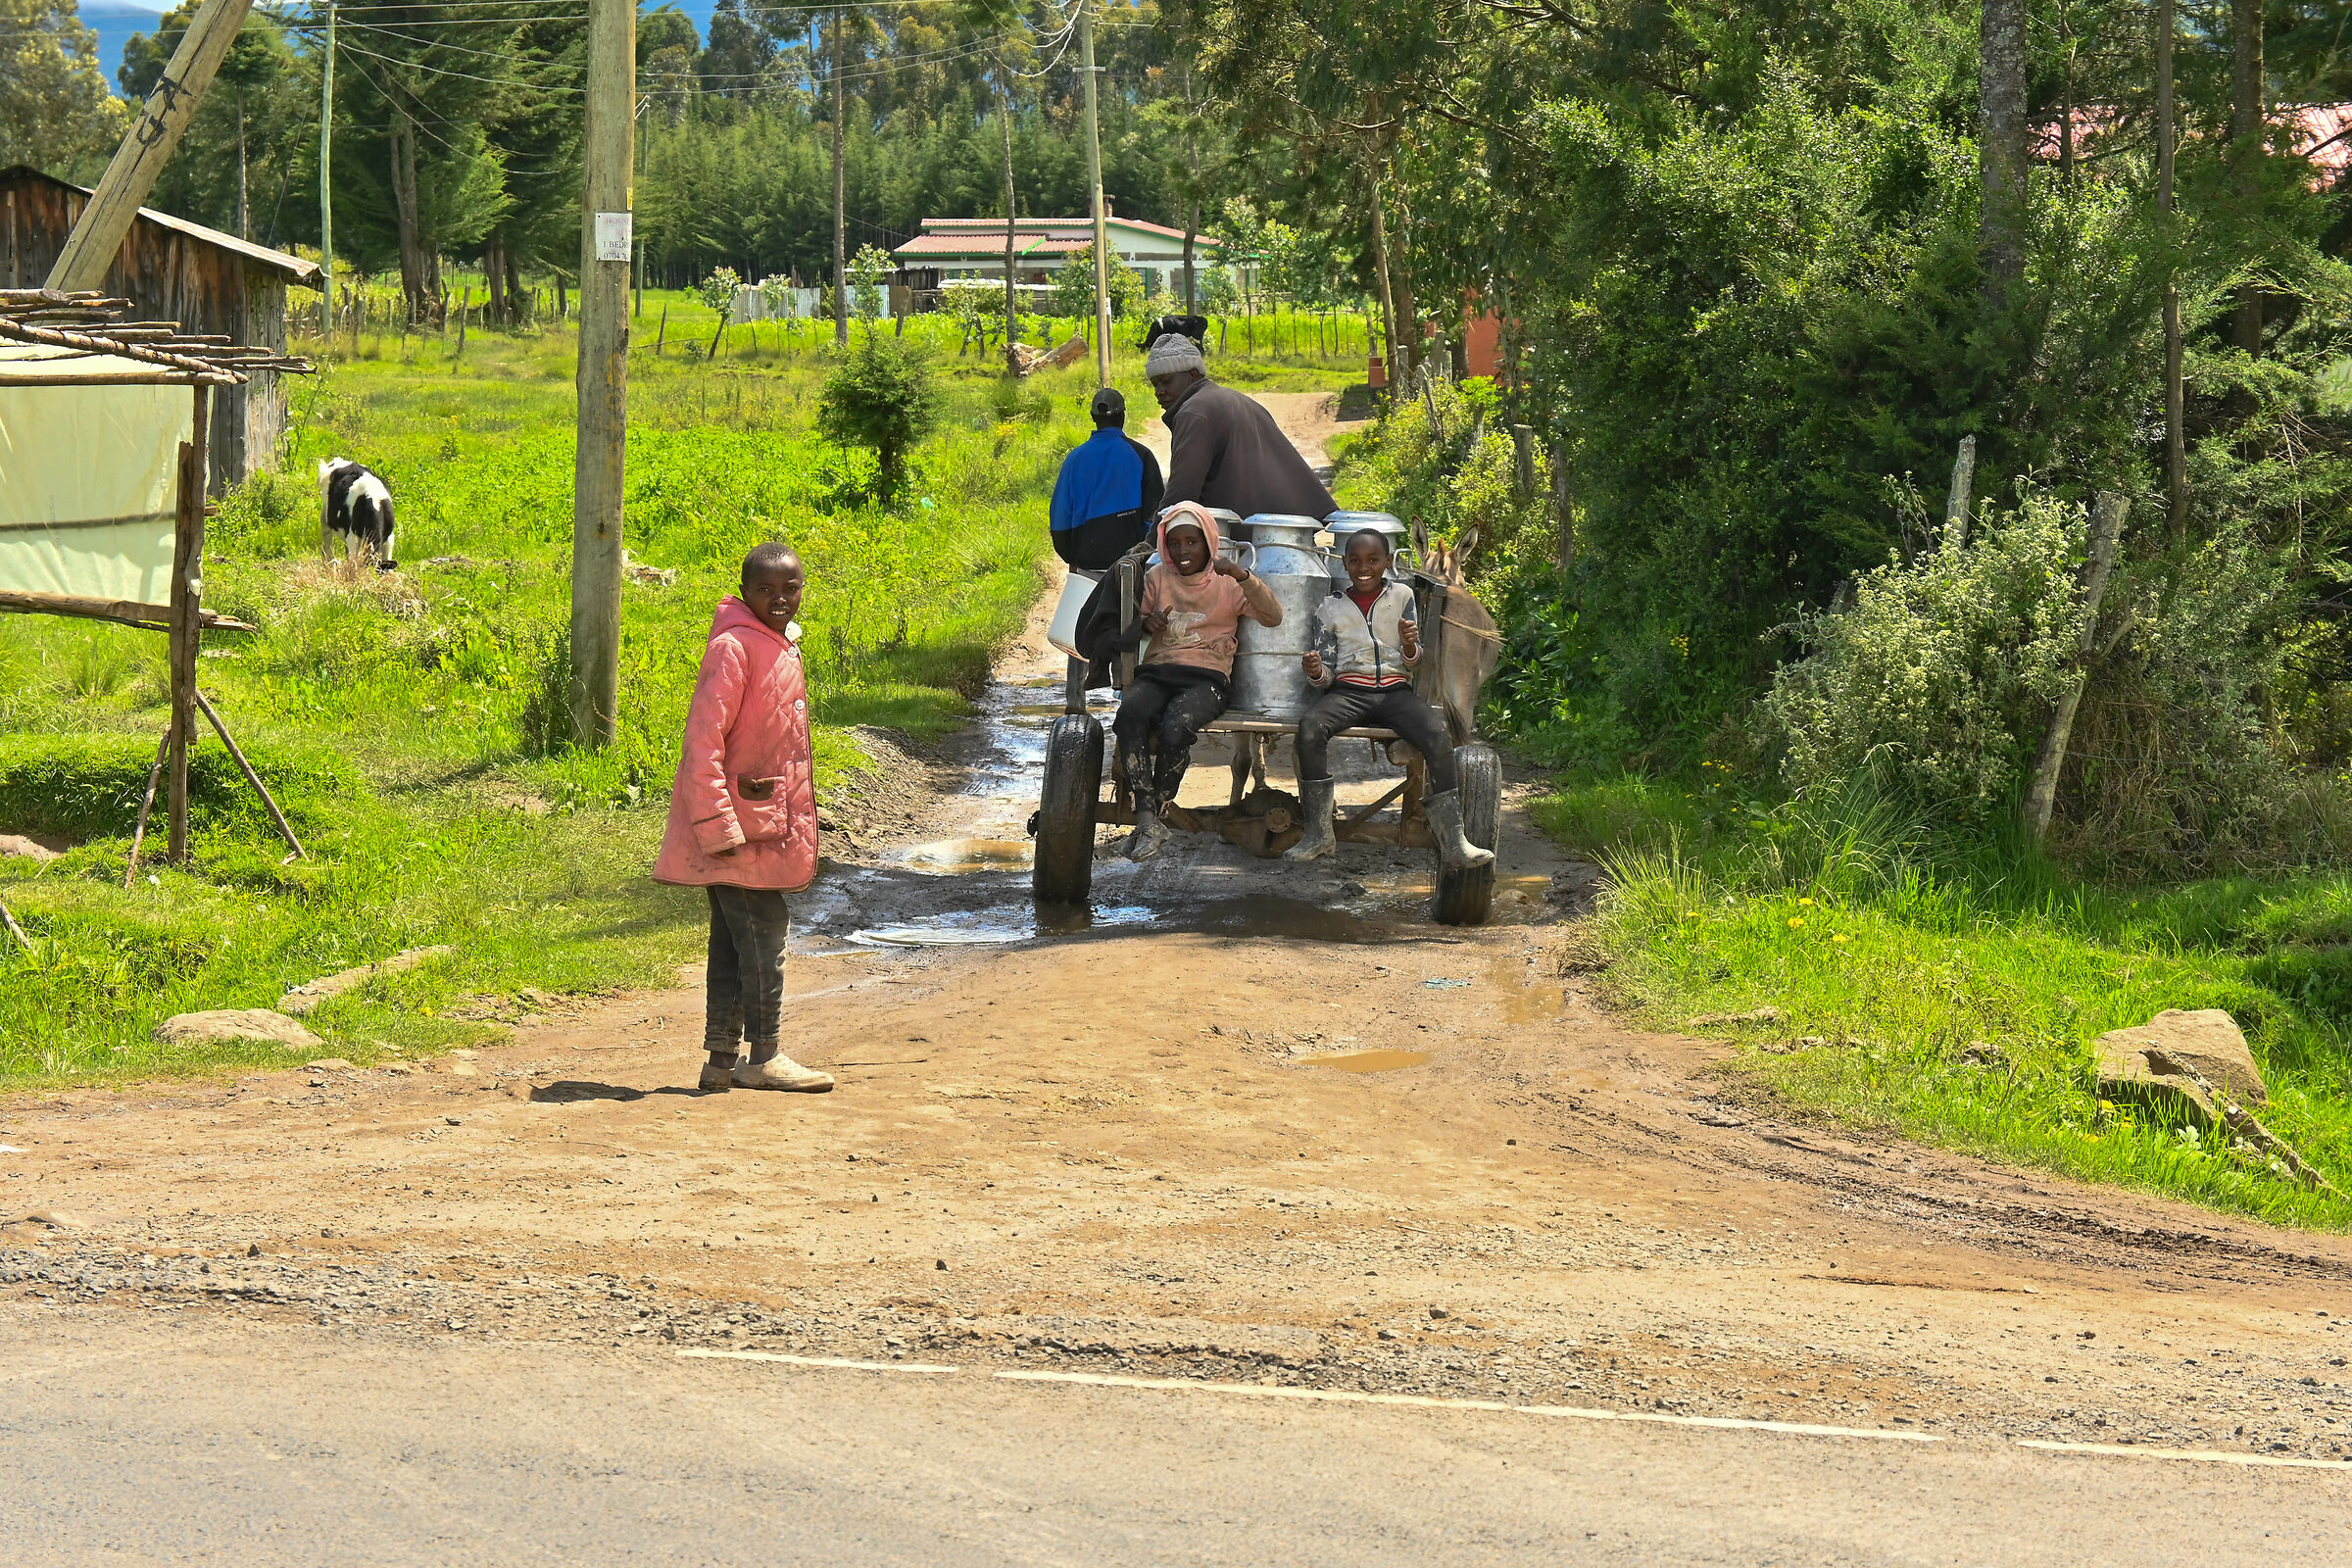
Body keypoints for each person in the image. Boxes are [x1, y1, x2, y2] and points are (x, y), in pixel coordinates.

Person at [652, 542, 837, 1095]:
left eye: (791, 588)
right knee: (763, 937)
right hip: (737, 827)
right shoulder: (734, 648)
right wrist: (718, 827)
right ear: (746, 590)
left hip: (760, 820)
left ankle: (721, 1061)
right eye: (766, 590)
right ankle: (766, 1056)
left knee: (734, 942)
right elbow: (702, 742)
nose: (780, 599)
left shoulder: (775, 643)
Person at [1286, 529, 1494, 869]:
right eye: (1355, 561)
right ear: (1346, 564)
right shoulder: (1330, 607)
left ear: (1387, 563)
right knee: (1309, 727)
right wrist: (1314, 670)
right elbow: (1325, 674)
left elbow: (1412, 660)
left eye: (1372, 560)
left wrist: (1411, 646)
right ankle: (1318, 833)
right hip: (1350, 692)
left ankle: (1454, 840)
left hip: (1395, 692)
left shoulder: (1403, 596)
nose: (1363, 568)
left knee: (1437, 734)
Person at [1114, 502, 1283, 861]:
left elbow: (1273, 616)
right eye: (1175, 543)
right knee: (1129, 715)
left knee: (1178, 725)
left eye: (1192, 542)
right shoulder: (1157, 578)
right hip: (1159, 672)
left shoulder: (1228, 582)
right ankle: (1146, 817)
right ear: (1165, 545)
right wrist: (1149, 623)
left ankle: (1157, 810)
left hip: (1208, 679)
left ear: (1209, 541)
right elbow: (1135, 624)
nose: (1183, 551)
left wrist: (1243, 576)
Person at [1147, 334, 1337, 519]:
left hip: (1253, 540)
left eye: (1166, 381)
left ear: (1193, 375)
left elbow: (1181, 495)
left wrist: (1151, 545)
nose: (1159, 392)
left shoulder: (1193, 413)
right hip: (1291, 527)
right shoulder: (1237, 399)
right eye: (1155, 385)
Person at [1048, 387, 1164, 570]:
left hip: (1087, 563)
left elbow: (1059, 516)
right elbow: (1155, 511)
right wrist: (1145, 555)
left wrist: (1071, 556)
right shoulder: (1141, 455)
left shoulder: (1074, 459)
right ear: (1122, 416)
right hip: (1131, 565)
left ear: (1093, 417)